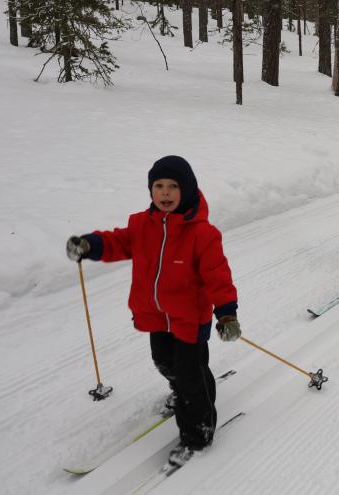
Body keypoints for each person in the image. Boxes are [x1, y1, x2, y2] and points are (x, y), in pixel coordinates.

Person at [65, 155, 240, 467]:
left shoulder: (202, 234)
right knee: (164, 362)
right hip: (157, 317)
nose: (166, 193)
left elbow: (218, 275)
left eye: (173, 186)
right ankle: (191, 389)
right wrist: (90, 245)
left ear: (187, 190)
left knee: (189, 374)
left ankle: (198, 430)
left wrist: (226, 314)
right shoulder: (140, 225)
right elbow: (116, 242)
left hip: (189, 320)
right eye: (159, 186)